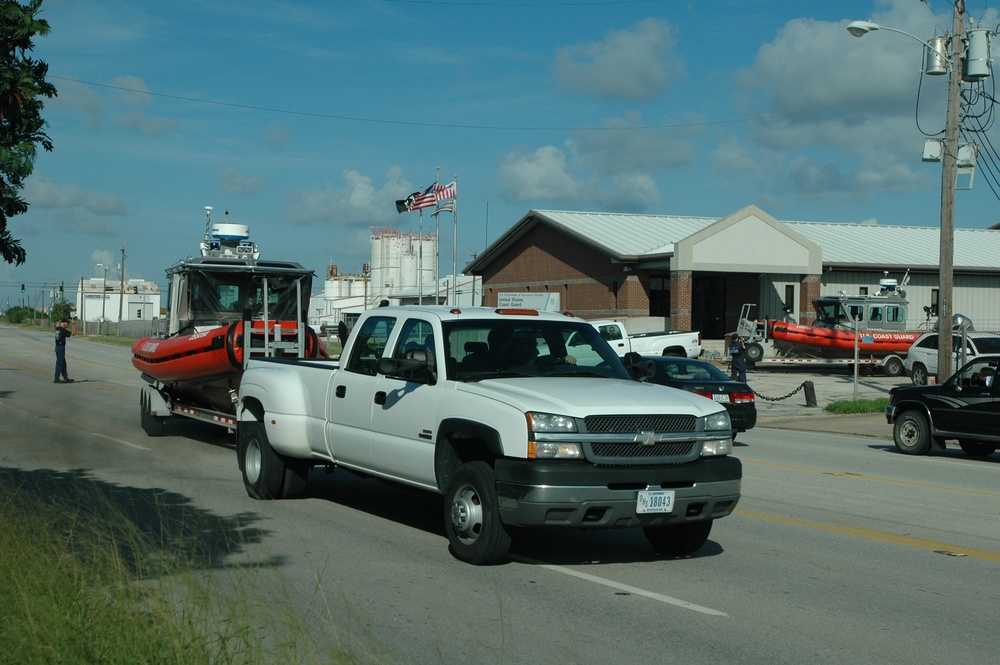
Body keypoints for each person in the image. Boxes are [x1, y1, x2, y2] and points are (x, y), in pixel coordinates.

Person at [54, 318, 75, 383]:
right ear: (64, 323)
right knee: (60, 363)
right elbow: (74, 333)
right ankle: (56, 378)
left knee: (63, 363)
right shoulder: (63, 330)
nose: (68, 325)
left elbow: (57, 325)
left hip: (57, 347)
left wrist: (58, 323)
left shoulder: (58, 329)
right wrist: (74, 325)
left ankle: (65, 377)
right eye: (67, 323)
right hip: (60, 347)